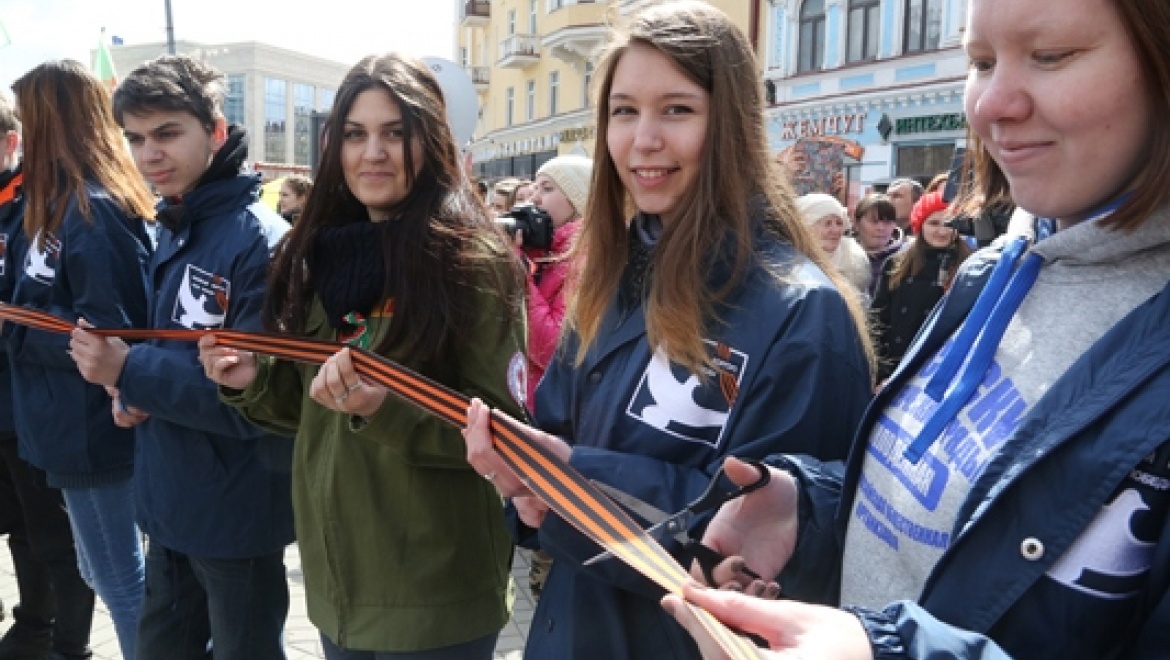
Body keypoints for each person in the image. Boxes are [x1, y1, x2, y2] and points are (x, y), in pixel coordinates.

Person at [662, 0, 1170, 657]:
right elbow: (952, 514)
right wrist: (809, 512)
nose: (991, 105)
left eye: (1051, 56)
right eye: (981, 62)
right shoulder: (990, 273)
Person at [461, 3, 874, 659]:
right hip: (568, 629)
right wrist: (525, 485)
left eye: (676, 110)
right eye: (624, 111)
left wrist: (573, 477)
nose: (642, 138)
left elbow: (776, 545)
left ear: (731, 125)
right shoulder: (605, 276)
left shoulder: (802, 312)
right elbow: (556, 435)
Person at [198, 53, 527, 659]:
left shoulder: (471, 261)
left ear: (431, 142)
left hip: (436, 595)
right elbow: (312, 410)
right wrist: (251, 381)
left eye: (395, 133)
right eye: (355, 134)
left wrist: (386, 411)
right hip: (335, 585)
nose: (372, 152)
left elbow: (507, 435)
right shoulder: (316, 255)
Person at [65, 54, 296, 660]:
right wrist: (134, 395)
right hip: (169, 500)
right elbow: (174, 350)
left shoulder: (262, 243)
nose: (149, 155)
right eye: (136, 138)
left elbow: (255, 400)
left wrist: (127, 370)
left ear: (216, 132)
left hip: (237, 511)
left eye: (167, 133)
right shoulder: (176, 222)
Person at [7, 59, 156, 660]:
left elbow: (113, 336)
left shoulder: (94, 212)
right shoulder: (57, 206)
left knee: (123, 583)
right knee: (104, 577)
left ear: (52, 123)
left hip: (92, 432)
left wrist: (15, 330)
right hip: (59, 428)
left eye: (27, 119)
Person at [0, 88, 97, 660]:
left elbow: (52, 306)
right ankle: (33, 624)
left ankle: (69, 643)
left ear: (13, 142)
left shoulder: (39, 209)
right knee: (18, 529)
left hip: (32, 406)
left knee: (54, 537)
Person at [871, 191, 973, 382]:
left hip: (940, 371)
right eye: (934, 223)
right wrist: (881, 372)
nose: (943, 231)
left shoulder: (971, 266)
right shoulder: (897, 264)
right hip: (896, 367)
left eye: (949, 223)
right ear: (920, 224)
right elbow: (877, 320)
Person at [795, 193, 870, 301]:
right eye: (827, 224)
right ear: (807, 228)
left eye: (839, 223)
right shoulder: (792, 264)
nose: (835, 230)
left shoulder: (855, 264)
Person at [852, 193, 907, 301]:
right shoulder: (842, 254)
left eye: (888, 222)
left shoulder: (905, 259)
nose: (881, 228)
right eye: (874, 221)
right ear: (857, 223)